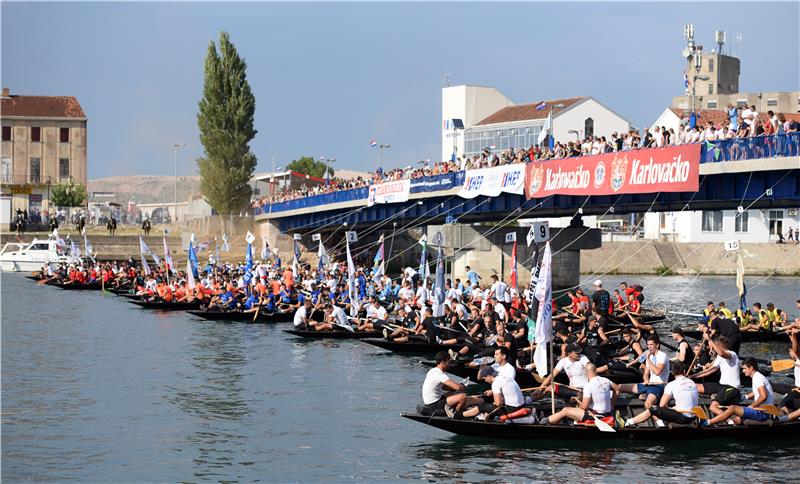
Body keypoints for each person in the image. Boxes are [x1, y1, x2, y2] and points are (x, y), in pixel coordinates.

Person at [701, 358, 774, 426]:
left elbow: (763, 396)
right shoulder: (758, 376)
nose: (743, 371)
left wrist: (752, 405)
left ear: (751, 368)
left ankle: (707, 423)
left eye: (745, 368)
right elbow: (756, 392)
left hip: (763, 413)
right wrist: (744, 397)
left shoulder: (757, 378)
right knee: (736, 419)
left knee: (733, 408)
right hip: (761, 411)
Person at [539, 363, 618, 426]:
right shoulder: (606, 380)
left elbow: (584, 407)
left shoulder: (588, 386)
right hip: (608, 412)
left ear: (586, 372)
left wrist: (580, 405)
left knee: (566, 410)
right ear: (595, 370)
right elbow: (617, 389)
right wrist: (612, 403)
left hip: (596, 416)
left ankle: (544, 422)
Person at [624, 361, 698, 427]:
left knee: (653, 409)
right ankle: (668, 424)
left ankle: (629, 422)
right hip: (693, 415)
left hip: (684, 418)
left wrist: (665, 409)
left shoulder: (671, 384)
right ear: (684, 372)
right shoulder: (692, 382)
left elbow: (662, 405)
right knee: (670, 409)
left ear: (672, 372)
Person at [692, 336, 741, 417]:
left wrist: (710, 339)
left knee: (713, 407)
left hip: (732, 388)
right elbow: (709, 371)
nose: (713, 349)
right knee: (695, 386)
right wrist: (692, 376)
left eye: (714, 346)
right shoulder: (719, 357)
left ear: (718, 346)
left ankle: (731, 421)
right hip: (721, 386)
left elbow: (721, 353)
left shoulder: (732, 354)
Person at [420, 351, 478, 418]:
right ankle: (456, 414)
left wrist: (456, 390)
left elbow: (444, 387)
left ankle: (456, 408)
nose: (450, 364)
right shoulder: (439, 374)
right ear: (443, 362)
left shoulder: (432, 371)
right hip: (434, 404)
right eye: (449, 362)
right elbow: (457, 387)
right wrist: (462, 386)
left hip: (431, 401)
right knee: (463, 396)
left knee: (456, 393)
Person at [618, 334, 670, 408]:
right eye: (648, 345)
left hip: (659, 385)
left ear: (657, 345)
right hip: (648, 384)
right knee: (619, 387)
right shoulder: (650, 355)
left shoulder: (662, 356)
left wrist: (648, 358)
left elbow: (657, 372)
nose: (649, 347)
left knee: (647, 404)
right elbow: (645, 374)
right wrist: (646, 380)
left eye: (651, 345)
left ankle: (658, 419)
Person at [461, 364, 526, 420]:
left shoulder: (495, 383)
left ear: (489, 376)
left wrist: (486, 408)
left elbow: (498, 403)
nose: (485, 381)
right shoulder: (504, 377)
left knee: (481, 406)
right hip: (521, 406)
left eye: (485, 378)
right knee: (490, 404)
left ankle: (460, 415)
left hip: (512, 410)